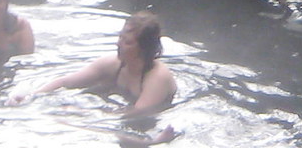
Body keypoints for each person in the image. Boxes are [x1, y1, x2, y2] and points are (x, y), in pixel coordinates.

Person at [9, 10, 177, 144]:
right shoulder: (115, 64)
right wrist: (32, 96)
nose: (118, 44)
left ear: (143, 48)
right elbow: (65, 82)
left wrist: (82, 114)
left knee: (118, 137)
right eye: (120, 37)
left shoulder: (157, 78)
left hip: (147, 124)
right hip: (120, 112)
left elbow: (137, 113)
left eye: (127, 42)